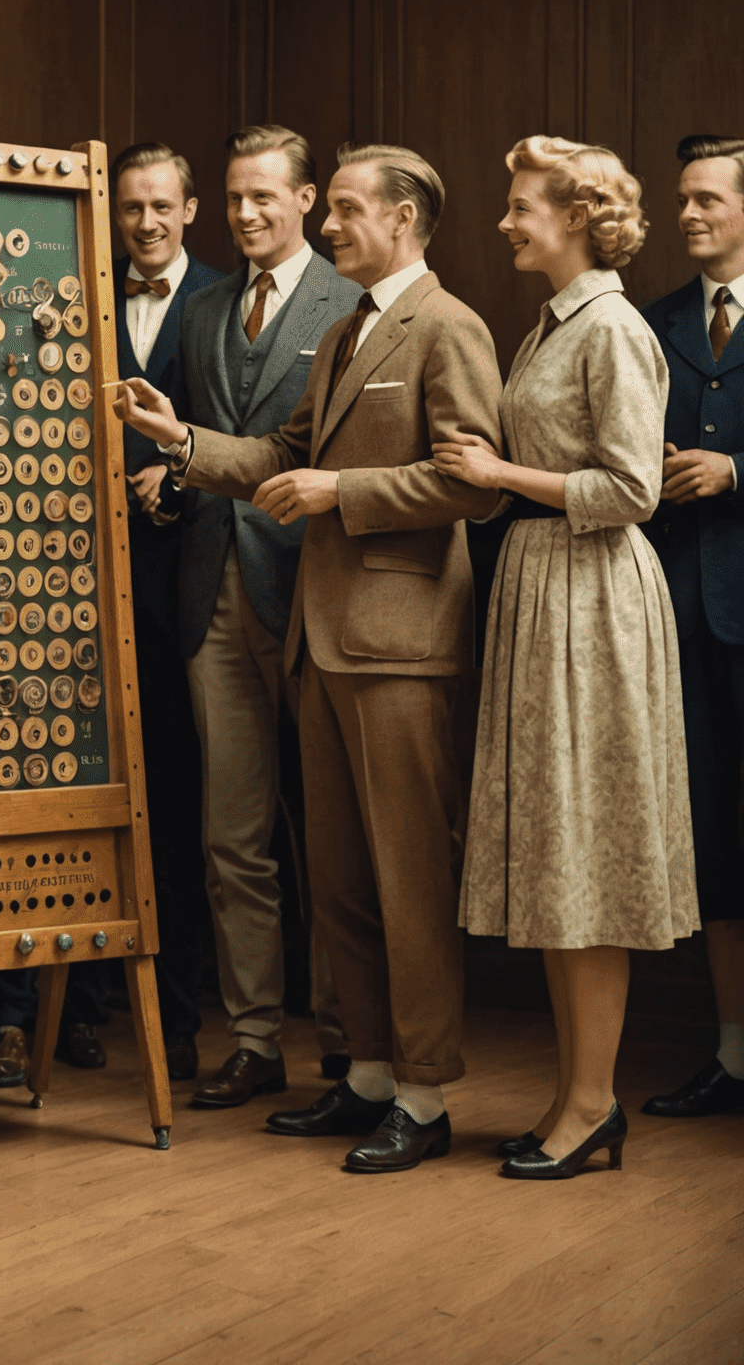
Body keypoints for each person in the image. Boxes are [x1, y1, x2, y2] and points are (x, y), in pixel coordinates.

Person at [113, 143, 503, 1173]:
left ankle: (422, 1096)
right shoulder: (347, 331)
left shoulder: (448, 326)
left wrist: (349, 495)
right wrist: (182, 441)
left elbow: (478, 485)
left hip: (405, 646)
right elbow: (284, 459)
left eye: (343, 211)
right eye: (326, 211)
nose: (327, 229)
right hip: (326, 644)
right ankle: (367, 1076)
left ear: (405, 219)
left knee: (407, 875)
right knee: (339, 877)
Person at [437, 135, 697, 1178]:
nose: (507, 220)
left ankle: (591, 1105)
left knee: (587, 856)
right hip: (546, 591)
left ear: (579, 216)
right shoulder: (550, 324)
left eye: (522, 205)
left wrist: (504, 471)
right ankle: (574, 1098)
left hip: (593, 598)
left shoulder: (615, 329)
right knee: (558, 859)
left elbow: (633, 490)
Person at [164, 126, 358, 1109]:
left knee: (326, 828)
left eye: (263, 197)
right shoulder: (202, 314)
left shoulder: (357, 303)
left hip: (315, 595)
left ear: (308, 197)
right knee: (230, 834)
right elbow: (205, 449)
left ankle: (341, 1037)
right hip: (212, 597)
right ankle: (250, 1038)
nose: (245, 214)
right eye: (234, 198)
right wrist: (168, 480)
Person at [110, 141, 224, 1081]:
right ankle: (88, 1003)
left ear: (190, 211)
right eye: (130, 209)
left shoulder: (224, 302)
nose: (145, 224)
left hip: (194, 579)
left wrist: (172, 479)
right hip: (87, 582)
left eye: (161, 207)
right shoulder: (83, 296)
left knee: (183, 798)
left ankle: (182, 1015)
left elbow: (250, 439)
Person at [639, 134, 744, 1122]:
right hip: (677, 613)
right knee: (713, 838)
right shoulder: (659, 320)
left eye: (708, 197)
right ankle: (733, 1054)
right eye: (682, 200)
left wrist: (736, 471)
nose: (688, 214)